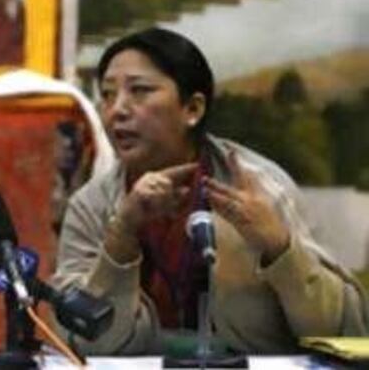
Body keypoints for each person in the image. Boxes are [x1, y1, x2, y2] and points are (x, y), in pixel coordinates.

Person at [52, 28, 368, 355]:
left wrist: (279, 248)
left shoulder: (261, 192)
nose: (117, 110)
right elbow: (82, 341)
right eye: (107, 94)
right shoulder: (92, 206)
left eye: (140, 91)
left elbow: (345, 332)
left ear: (193, 109)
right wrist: (121, 236)